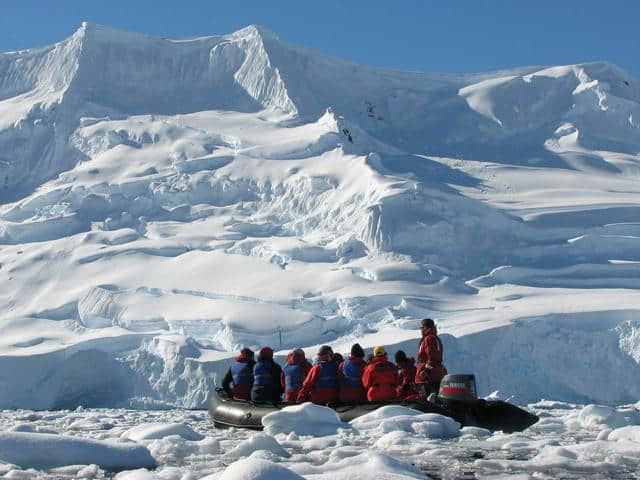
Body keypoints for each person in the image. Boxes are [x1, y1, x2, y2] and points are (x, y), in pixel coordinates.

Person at [415, 318, 447, 397]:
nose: (421, 330)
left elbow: (433, 358)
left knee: (429, 402)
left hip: (429, 378)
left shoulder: (429, 339)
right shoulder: (434, 338)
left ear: (425, 328)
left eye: (422, 328)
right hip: (435, 375)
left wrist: (426, 371)